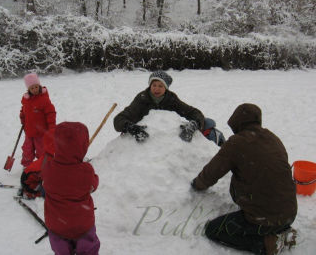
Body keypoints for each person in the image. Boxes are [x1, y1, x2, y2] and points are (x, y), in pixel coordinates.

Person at [191, 103, 297, 255]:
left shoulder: (236, 143)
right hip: (289, 212)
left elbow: (212, 173)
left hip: (264, 218)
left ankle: (268, 244)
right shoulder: (272, 138)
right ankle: (282, 230)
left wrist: (196, 185)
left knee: (213, 230)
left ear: (237, 122)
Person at [113, 70, 225, 145]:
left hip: (170, 142)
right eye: (154, 85)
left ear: (166, 88)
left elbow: (194, 113)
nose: (156, 89)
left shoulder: (171, 99)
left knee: (207, 122)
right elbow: (118, 120)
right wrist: (131, 128)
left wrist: (193, 125)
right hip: (144, 144)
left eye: (160, 86)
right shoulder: (142, 99)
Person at [42, 122, 100, 255]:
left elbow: (47, 185)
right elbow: (93, 185)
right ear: (83, 146)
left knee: (61, 250)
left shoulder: (48, 168)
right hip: (82, 225)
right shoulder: (85, 171)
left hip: (56, 225)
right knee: (88, 249)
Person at [19, 73, 56, 168]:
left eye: (36, 87)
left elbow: (51, 114)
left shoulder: (44, 100)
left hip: (41, 132)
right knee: (27, 149)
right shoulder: (26, 100)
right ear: (28, 89)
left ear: (39, 86)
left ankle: (42, 166)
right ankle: (27, 167)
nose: (35, 89)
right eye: (32, 88)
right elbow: (24, 110)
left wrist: (52, 127)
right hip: (29, 131)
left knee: (41, 150)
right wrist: (22, 118)